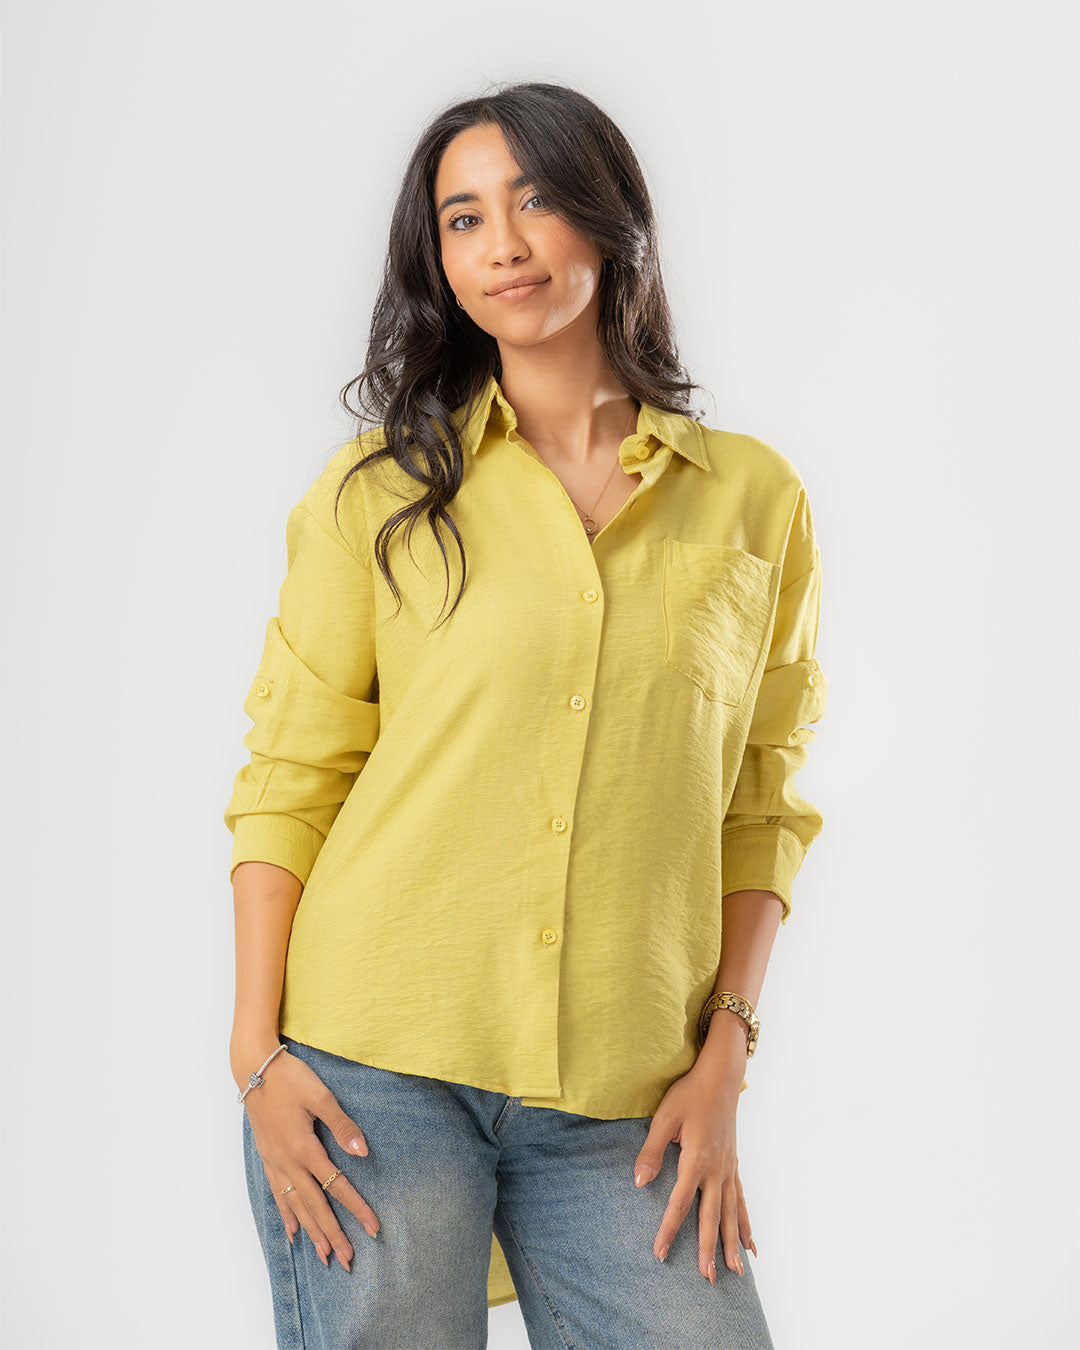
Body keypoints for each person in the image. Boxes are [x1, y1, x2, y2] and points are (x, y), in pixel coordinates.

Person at [224, 79, 827, 1350]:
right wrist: (256, 1056)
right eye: (464, 218)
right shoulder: (378, 493)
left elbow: (760, 801)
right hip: (373, 1068)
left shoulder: (754, 500)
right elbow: (292, 775)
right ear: (438, 262)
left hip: (631, 1092)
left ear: (610, 221)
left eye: (537, 201)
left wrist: (726, 1055)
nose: (502, 243)